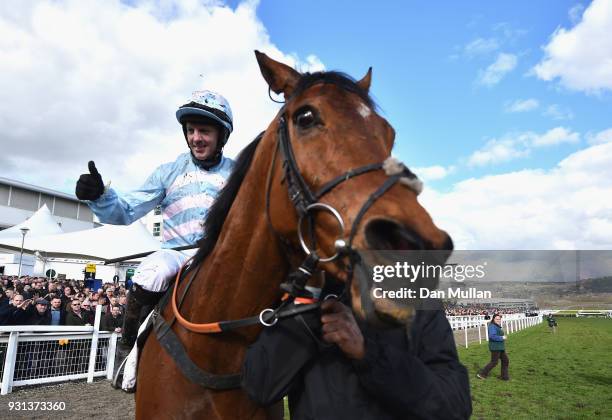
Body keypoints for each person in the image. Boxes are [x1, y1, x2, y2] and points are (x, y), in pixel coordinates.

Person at [75, 90, 235, 347]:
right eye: (191, 130)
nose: (196, 138)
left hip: (222, 256)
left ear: (221, 135)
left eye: (204, 131)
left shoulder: (239, 174)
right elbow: (127, 210)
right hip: (177, 255)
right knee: (151, 272)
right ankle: (128, 350)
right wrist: (100, 196)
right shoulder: (168, 173)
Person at [242, 284, 472, 419]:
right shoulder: (302, 296)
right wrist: (308, 299)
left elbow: (454, 405)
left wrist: (367, 353)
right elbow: (259, 386)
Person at [477, 313, 509, 380]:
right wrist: (502, 338)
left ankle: (504, 377)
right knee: (494, 362)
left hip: (500, 347)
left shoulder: (496, 326)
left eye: (499, 319)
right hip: (495, 347)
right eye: (496, 319)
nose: (498, 320)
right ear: (493, 319)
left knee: (505, 360)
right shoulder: (492, 326)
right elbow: (492, 336)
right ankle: (482, 374)